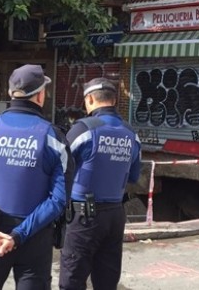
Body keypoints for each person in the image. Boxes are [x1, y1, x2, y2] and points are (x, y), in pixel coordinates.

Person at [0, 64, 73, 290]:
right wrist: (19, 235)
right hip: (36, 233)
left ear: (11, 93)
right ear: (41, 95)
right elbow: (59, 200)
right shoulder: (54, 138)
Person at [58, 77, 142, 290]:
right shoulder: (131, 134)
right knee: (107, 280)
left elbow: (59, 168)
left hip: (84, 217)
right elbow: (133, 176)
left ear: (89, 99)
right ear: (114, 100)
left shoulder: (83, 129)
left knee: (72, 279)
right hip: (115, 215)